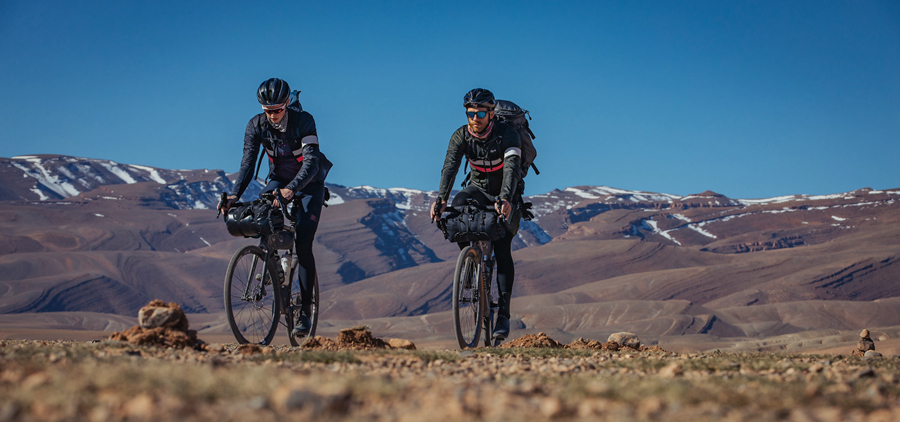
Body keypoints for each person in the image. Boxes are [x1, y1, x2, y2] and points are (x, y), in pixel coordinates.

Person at [219, 78, 332, 337]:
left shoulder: (304, 121)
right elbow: (248, 163)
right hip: (279, 179)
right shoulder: (255, 125)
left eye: (277, 110)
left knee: (303, 242)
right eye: (267, 110)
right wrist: (234, 195)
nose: (272, 116)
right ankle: (273, 261)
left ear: (287, 104)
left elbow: (312, 161)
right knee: (262, 214)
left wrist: (293, 188)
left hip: (309, 182)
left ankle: (304, 312)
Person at [430, 88, 522, 340]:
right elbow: (450, 167)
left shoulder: (508, 134)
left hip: (506, 193)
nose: (475, 118)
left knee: (502, 248)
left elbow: (512, 170)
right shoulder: (461, 136)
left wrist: (505, 198)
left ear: (491, 113)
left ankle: (503, 314)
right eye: (470, 113)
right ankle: (470, 261)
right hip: (478, 189)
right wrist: (441, 198)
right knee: (457, 211)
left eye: (481, 113)